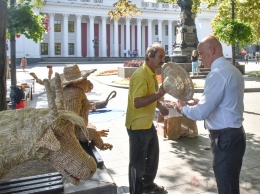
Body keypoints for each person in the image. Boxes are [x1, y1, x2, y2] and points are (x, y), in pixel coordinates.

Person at [175, 36, 246, 194]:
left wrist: (182, 108)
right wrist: (199, 102)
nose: (199, 58)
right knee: (231, 184)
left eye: (201, 53)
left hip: (225, 139)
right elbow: (224, 103)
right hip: (235, 135)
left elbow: (201, 113)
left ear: (212, 50)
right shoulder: (232, 70)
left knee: (227, 187)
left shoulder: (217, 74)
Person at [125, 42, 169, 194]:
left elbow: (148, 96)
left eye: (164, 56)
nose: (163, 60)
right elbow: (137, 102)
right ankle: (136, 191)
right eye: (160, 57)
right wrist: (158, 95)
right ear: (149, 56)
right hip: (137, 127)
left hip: (147, 124)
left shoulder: (151, 73)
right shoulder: (141, 75)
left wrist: (160, 105)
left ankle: (147, 186)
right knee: (137, 163)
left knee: (152, 158)